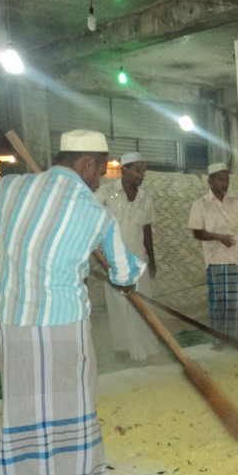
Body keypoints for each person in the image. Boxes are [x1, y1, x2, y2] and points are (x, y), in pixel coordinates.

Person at [0, 129, 146, 475]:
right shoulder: (95, 214)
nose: (99, 179)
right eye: (100, 169)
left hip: (14, 322)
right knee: (70, 416)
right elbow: (125, 273)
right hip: (62, 326)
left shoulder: (8, 187)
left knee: (25, 416)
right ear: (87, 163)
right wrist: (120, 278)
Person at [187, 162, 238, 344]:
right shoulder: (200, 204)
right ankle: (220, 341)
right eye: (220, 179)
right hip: (215, 260)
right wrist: (219, 237)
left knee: (237, 301)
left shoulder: (235, 202)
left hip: (234, 259)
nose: (224, 183)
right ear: (210, 182)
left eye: (227, 179)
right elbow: (197, 232)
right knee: (219, 303)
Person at [96, 151, 160, 363]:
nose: (142, 175)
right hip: (113, 262)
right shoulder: (105, 193)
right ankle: (122, 349)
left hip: (138, 261)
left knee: (143, 306)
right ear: (125, 170)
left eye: (143, 171)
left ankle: (146, 350)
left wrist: (152, 260)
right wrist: (101, 257)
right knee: (119, 307)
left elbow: (147, 230)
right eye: (138, 170)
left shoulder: (145, 198)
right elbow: (93, 223)